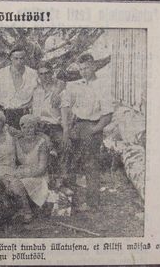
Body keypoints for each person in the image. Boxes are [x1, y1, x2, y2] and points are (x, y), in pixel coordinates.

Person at [61, 53, 114, 212]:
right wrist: (66, 129)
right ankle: (69, 203)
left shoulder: (102, 86)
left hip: (91, 126)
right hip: (75, 125)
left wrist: (94, 129)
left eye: (86, 68)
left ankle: (92, 203)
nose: (83, 71)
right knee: (69, 162)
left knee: (90, 165)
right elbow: (65, 105)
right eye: (81, 69)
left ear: (94, 66)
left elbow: (108, 114)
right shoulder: (74, 85)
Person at [3, 114, 51, 222]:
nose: (27, 130)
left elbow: (42, 168)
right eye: (24, 127)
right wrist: (15, 172)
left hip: (38, 176)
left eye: (30, 127)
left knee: (16, 184)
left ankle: (27, 211)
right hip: (22, 172)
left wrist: (24, 174)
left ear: (35, 128)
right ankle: (17, 209)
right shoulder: (17, 141)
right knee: (6, 180)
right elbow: (12, 162)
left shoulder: (42, 142)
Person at [32, 62, 66, 186]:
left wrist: (57, 91)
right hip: (39, 126)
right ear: (38, 76)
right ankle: (43, 180)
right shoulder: (36, 90)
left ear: (52, 73)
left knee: (63, 143)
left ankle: (61, 180)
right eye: (41, 74)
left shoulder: (59, 89)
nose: (44, 76)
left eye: (47, 73)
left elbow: (63, 83)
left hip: (54, 125)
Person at [0, 46, 38, 128]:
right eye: (16, 58)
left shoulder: (33, 74)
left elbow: (45, 87)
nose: (19, 62)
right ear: (11, 58)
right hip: (5, 114)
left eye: (22, 58)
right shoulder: (1, 73)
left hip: (24, 115)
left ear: (25, 58)